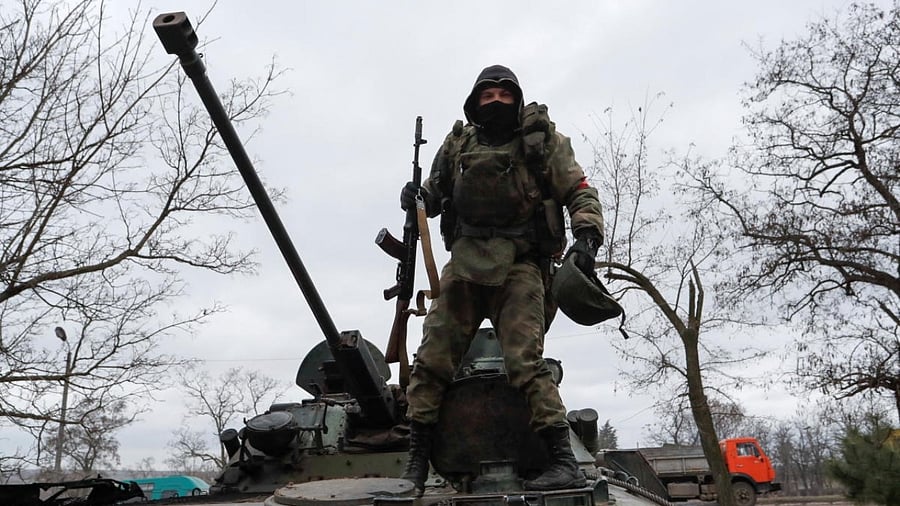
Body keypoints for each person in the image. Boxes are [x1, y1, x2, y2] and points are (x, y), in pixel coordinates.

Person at [398, 64, 604, 494]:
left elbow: (579, 189)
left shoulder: (542, 142)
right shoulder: (458, 144)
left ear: (516, 98)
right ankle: (416, 463)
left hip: (521, 264)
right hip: (466, 262)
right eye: (487, 96)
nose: (495, 102)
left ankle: (563, 461)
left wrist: (587, 236)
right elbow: (434, 194)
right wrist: (417, 196)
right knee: (431, 361)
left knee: (525, 363)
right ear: (475, 103)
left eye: (503, 95)